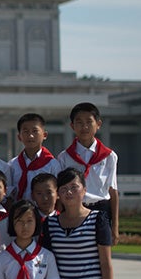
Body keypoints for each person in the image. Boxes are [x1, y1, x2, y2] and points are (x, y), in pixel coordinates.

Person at [57, 102, 119, 238]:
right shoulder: (64, 157)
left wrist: (115, 226)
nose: (84, 127)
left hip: (101, 210)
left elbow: (113, 191)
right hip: (73, 210)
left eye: (89, 122)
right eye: (79, 122)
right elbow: (60, 192)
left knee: (101, 254)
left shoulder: (109, 156)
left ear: (98, 124)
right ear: (72, 126)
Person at [8, 113, 60, 202]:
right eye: (26, 131)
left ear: (44, 135)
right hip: (19, 213)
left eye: (35, 131)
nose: (30, 136)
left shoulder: (52, 164)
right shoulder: (12, 165)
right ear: (19, 137)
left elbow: (58, 193)